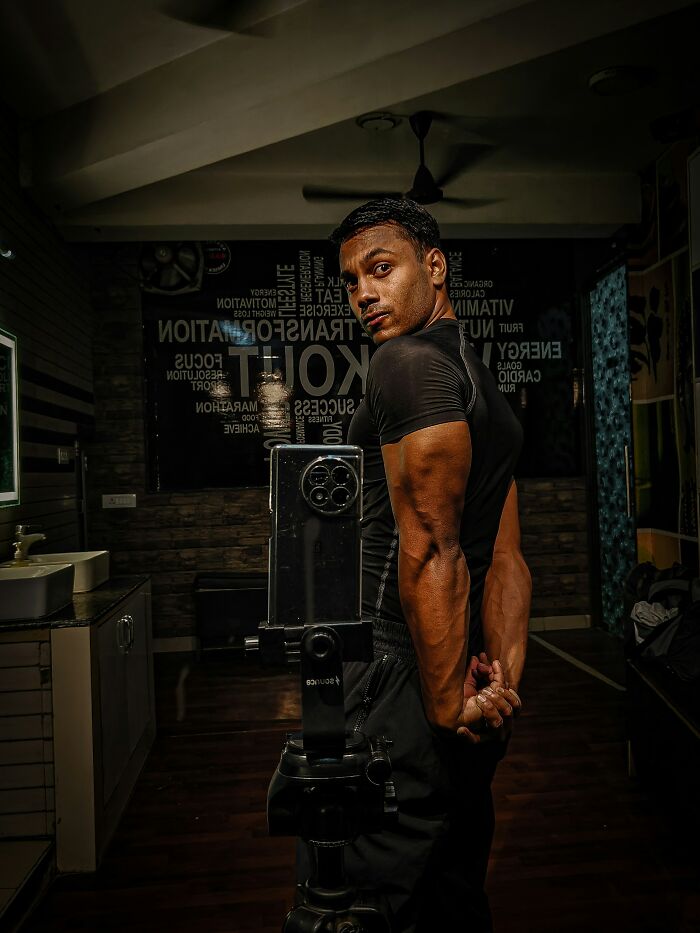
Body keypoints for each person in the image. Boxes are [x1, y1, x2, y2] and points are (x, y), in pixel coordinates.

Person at [326, 197, 531, 932]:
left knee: (372, 899)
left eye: (381, 268)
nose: (364, 295)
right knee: (451, 885)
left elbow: (431, 547)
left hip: (402, 673)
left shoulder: (404, 364)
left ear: (435, 265)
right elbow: (506, 557)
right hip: (462, 662)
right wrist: (499, 678)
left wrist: (447, 705)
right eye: (351, 281)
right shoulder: (478, 381)